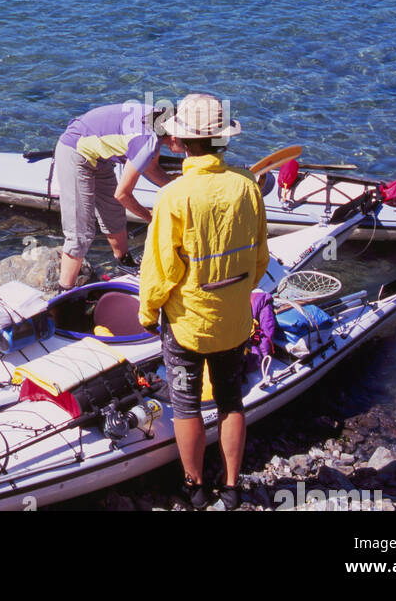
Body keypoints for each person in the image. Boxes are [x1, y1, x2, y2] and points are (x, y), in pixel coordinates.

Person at [137, 93, 267, 511]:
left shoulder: (174, 196)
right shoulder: (247, 187)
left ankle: (194, 488)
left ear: (178, 142)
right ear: (222, 141)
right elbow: (260, 258)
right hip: (233, 320)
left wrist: (147, 312)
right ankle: (231, 488)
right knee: (231, 401)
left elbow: (160, 272)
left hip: (187, 325)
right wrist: (237, 296)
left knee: (187, 407)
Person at [54, 98, 179, 288]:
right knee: (80, 232)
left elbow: (151, 169)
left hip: (101, 156)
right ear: (175, 137)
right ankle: (64, 292)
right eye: (189, 143)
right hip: (75, 151)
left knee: (113, 213)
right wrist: (150, 217)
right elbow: (122, 194)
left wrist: (178, 190)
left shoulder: (160, 120)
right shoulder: (147, 141)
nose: (188, 149)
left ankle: (124, 263)